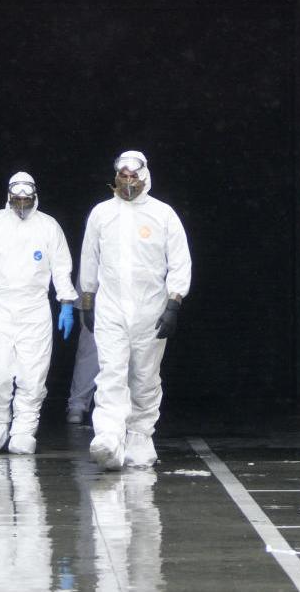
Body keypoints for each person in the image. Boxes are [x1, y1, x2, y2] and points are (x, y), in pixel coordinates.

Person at [80, 151, 191, 470]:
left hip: (151, 310)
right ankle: (109, 437)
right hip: (111, 308)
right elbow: (90, 257)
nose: (128, 183)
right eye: (122, 176)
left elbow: (180, 261)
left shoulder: (163, 215)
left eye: (134, 177)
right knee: (111, 372)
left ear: (145, 177)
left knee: (144, 376)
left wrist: (174, 302)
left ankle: (140, 436)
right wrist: (87, 299)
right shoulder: (102, 214)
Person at [0, 171, 77, 455]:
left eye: (27, 199)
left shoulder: (48, 226)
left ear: (35, 197)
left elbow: (62, 266)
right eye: (18, 199)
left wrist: (65, 303)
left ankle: (25, 428)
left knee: (32, 374)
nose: (23, 204)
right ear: (9, 197)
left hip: (35, 307)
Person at [65, 284, 98, 425]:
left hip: (136, 292)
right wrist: (87, 303)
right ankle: (78, 403)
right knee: (89, 349)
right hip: (97, 291)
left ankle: (129, 405)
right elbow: (88, 265)